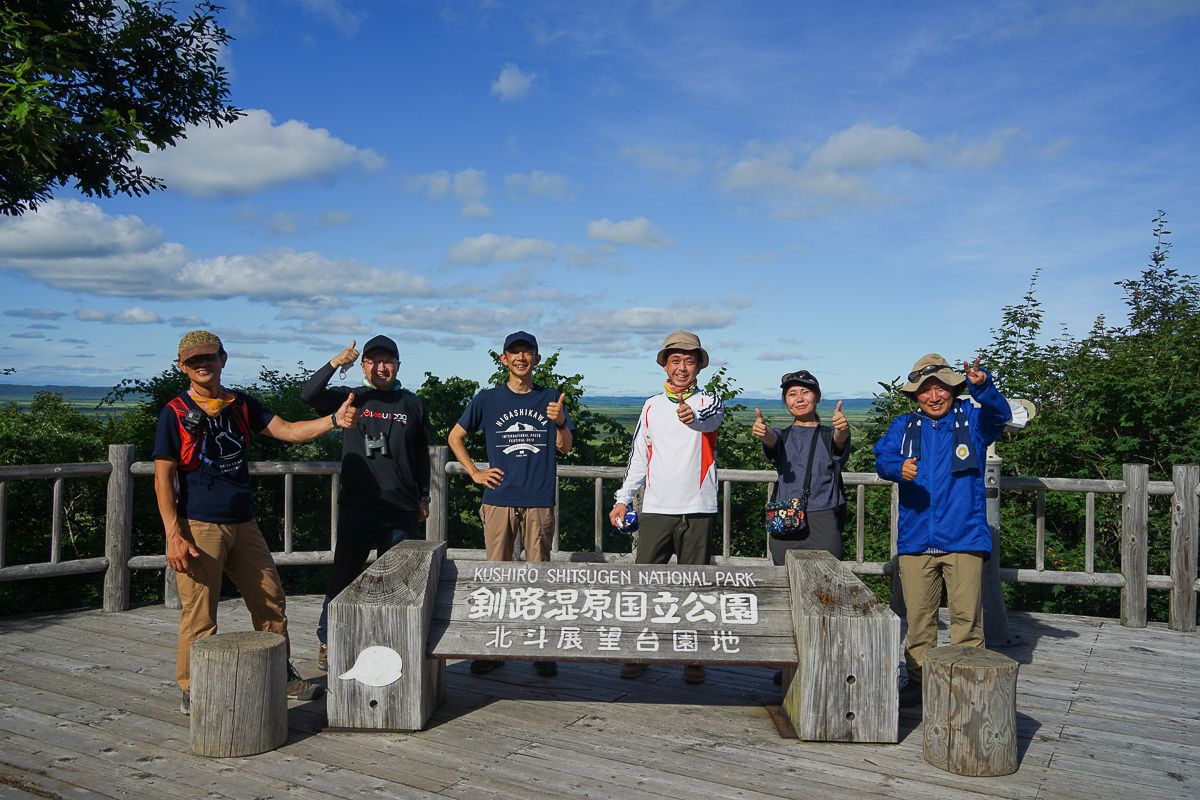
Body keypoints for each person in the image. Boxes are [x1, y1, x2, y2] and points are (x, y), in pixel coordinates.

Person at [153, 330, 358, 715]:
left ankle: (278, 674)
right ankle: (193, 687)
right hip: (198, 524)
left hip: (243, 522)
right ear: (182, 366)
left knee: (270, 599)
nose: (202, 365)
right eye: (193, 361)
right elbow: (162, 477)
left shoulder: (241, 405)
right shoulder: (175, 412)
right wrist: (173, 535)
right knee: (199, 612)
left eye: (208, 358)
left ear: (223, 359)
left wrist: (333, 419)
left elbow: (289, 431)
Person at [874, 354, 1011, 708]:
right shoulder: (903, 426)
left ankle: (967, 682)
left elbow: (1001, 415)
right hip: (916, 539)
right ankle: (920, 682)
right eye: (925, 391)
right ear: (915, 395)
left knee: (967, 620)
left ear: (953, 390)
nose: (934, 397)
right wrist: (896, 467)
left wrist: (984, 386)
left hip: (963, 538)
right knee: (919, 621)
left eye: (941, 389)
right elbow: (882, 457)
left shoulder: (974, 421)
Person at [300, 334, 432, 671]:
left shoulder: (412, 403)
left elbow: (420, 454)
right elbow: (308, 394)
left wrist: (423, 496)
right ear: (363, 366)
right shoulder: (352, 397)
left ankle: (389, 639)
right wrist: (335, 363)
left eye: (388, 360)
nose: (382, 367)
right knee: (345, 574)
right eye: (374, 361)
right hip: (359, 504)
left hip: (401, 507)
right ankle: (329, 639)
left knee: (396, 581)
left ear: (398, 365)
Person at [447, 331, 573, 678]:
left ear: (536, 359)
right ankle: (493, 647)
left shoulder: (551, 399)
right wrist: (474, 472)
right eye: (514, 353)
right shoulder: (487, 399)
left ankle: (540, 648)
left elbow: (565, 447)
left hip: (538, 499)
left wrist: (560, 421)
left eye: (527, 352)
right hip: (499, 498)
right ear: (504, 359)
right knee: (496, 578)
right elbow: (455, 436)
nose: (521, 358)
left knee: (539, 578)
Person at [607, 330, 724, 685]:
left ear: (699, 366)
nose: (682, 367)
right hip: (656, 507)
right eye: (676, 360)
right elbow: (639, 457)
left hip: (698, 506)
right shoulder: (652, 405)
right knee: (645, 584)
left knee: (697, 588)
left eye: (689, 361)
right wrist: (623, 498)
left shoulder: (709, 400)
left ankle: (693, 657)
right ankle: (638, 651)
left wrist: (691, 416)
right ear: (666, 364)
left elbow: (709, 420)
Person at [752, 369, 851, 565]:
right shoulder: (782, 435)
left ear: (818, 396)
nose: (799, 399)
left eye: (805, 392)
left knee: (828, 588)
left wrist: (843, 429)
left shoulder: (828, 434)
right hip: (785, 520)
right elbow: (772, 440)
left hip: (823, 519)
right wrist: (764, 433)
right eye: (792, 394)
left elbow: (838, 441)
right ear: (785, 401)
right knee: (785, 585)